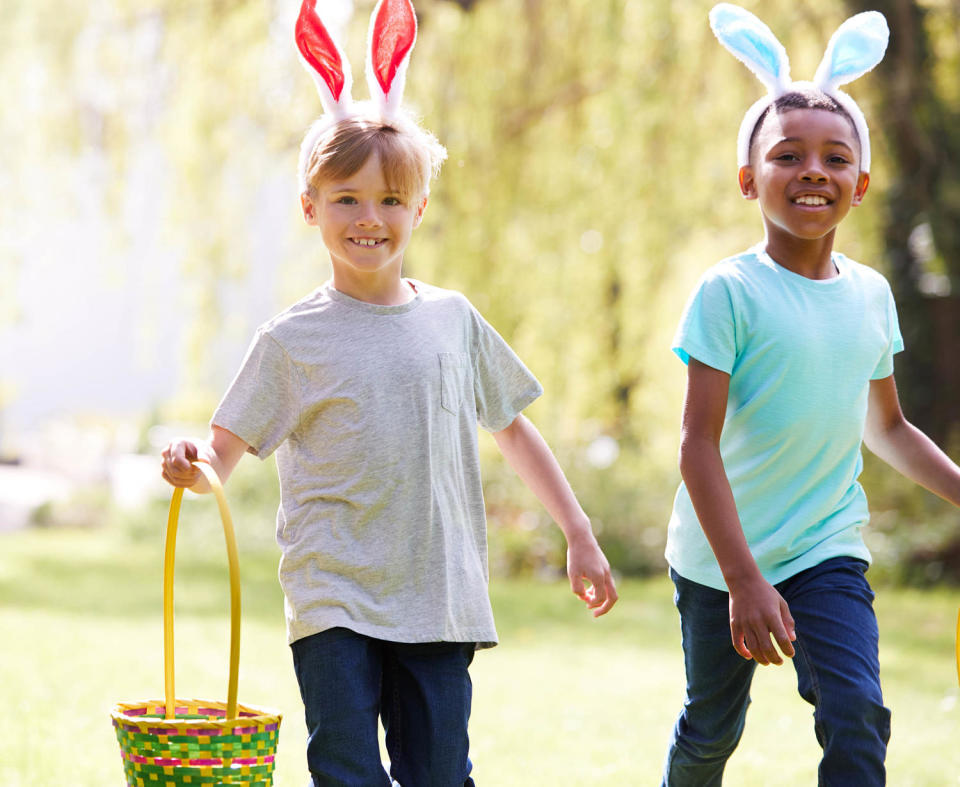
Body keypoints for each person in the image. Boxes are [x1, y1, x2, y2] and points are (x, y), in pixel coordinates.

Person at [161, 1, 617, 785]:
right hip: (333, 593)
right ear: (311, 208)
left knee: (439, 772)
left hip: (437, 592)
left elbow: (512, 428)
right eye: (346, 199)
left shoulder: (452, 320)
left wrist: (577, 529)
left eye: (389, 200)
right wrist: (188, 460)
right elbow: (223, 452)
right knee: (346, 768)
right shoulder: (291, 339)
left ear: (419, 209)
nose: (368, 218)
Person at [662, 5, 960, 785]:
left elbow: (888, 427)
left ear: (860, 184)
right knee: (710, 733)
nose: (812, 171)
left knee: (858, 713)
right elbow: (696, 443)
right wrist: (742, 578)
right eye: (787, 155)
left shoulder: (869, 295)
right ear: (748, 177)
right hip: (718, 558)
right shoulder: (727, 292)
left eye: (834, 157)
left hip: (826, 547)